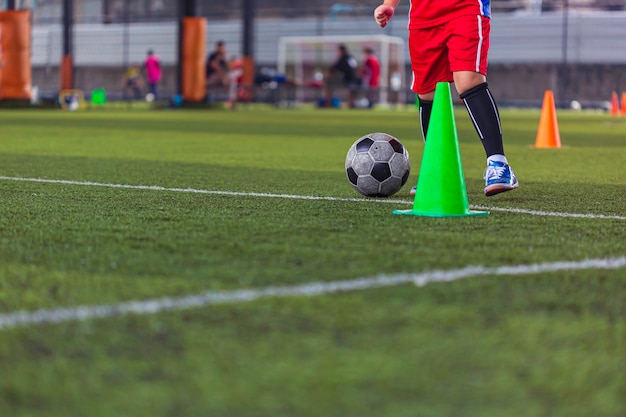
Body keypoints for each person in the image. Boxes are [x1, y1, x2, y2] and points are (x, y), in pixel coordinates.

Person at [374, 0, 519, 197]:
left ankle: (498, 164)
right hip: (423, 17)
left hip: (465, 8)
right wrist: (389, 4)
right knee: (427, 91)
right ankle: (435, 171)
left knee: (468, 81)